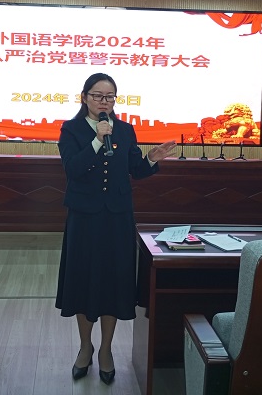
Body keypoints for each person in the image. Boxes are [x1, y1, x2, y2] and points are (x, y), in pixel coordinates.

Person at [56, 72, 176, 384]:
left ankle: (106, 349)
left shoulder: (124, 129)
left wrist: (151, 158)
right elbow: (73, 169)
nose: (104, 102)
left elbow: (135, 169)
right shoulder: (70, 130)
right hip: (84, 218)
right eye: (98, 96)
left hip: (118, 218)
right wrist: (97, 140)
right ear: (84, 97)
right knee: (84, 280)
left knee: (113, 281)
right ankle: (85, 346)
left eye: (109, 97)